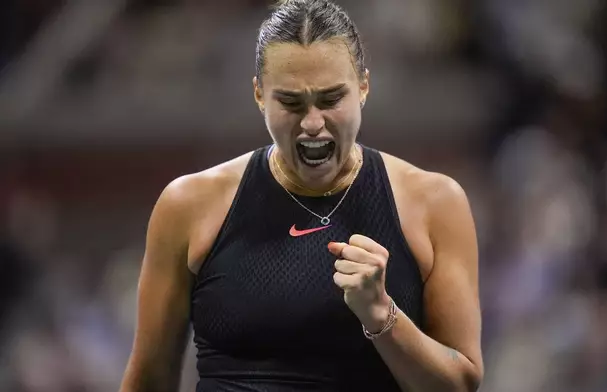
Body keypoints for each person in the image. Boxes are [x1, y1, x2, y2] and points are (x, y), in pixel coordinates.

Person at [119, 0, 483, 391]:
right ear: (260, 95)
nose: (312, 123)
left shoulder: (434, 204)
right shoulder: (188, 206)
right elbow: (148, 379)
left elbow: (460, 383)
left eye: (330, 100)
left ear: (363, 86)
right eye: (291, 102)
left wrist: (383, 316)